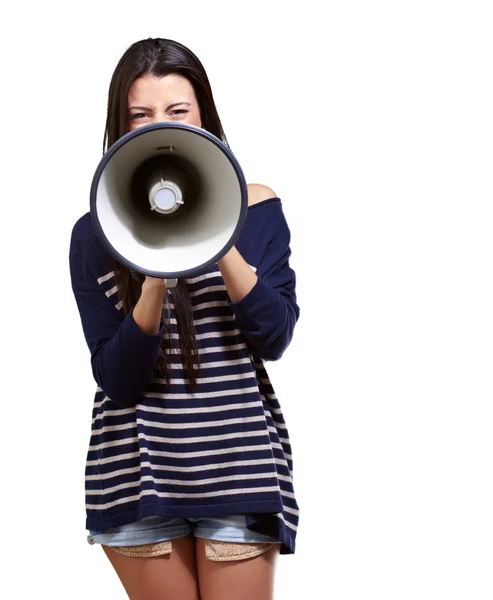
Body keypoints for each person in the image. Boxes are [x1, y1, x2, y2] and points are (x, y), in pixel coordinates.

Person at [69, 37, 300, 600]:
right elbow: (118, 379)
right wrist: (153, 269)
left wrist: (215, 231)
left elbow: (274, 335)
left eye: (177, 112)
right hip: (136, 471)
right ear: (119, 129)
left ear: (203, 117)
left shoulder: (258, 207)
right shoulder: (97, 233)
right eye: (140, 115)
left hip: (238, 465)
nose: (158, 127)